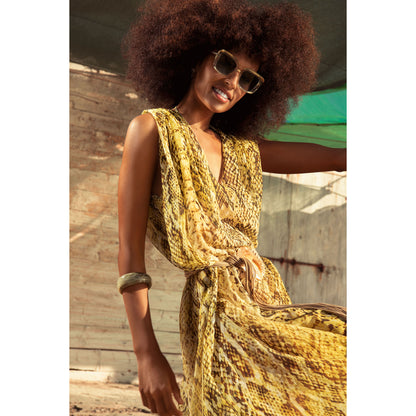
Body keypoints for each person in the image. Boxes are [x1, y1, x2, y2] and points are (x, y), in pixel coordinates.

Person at [117, 1, 346, 415]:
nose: (233, 82)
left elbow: (340, 157)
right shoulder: (151, 129)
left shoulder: (244, 150)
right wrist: (146, 353)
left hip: (266, 302)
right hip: (215, 317)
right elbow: (130, 254)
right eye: (225, 63)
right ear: (195, 56)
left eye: (249, 79)